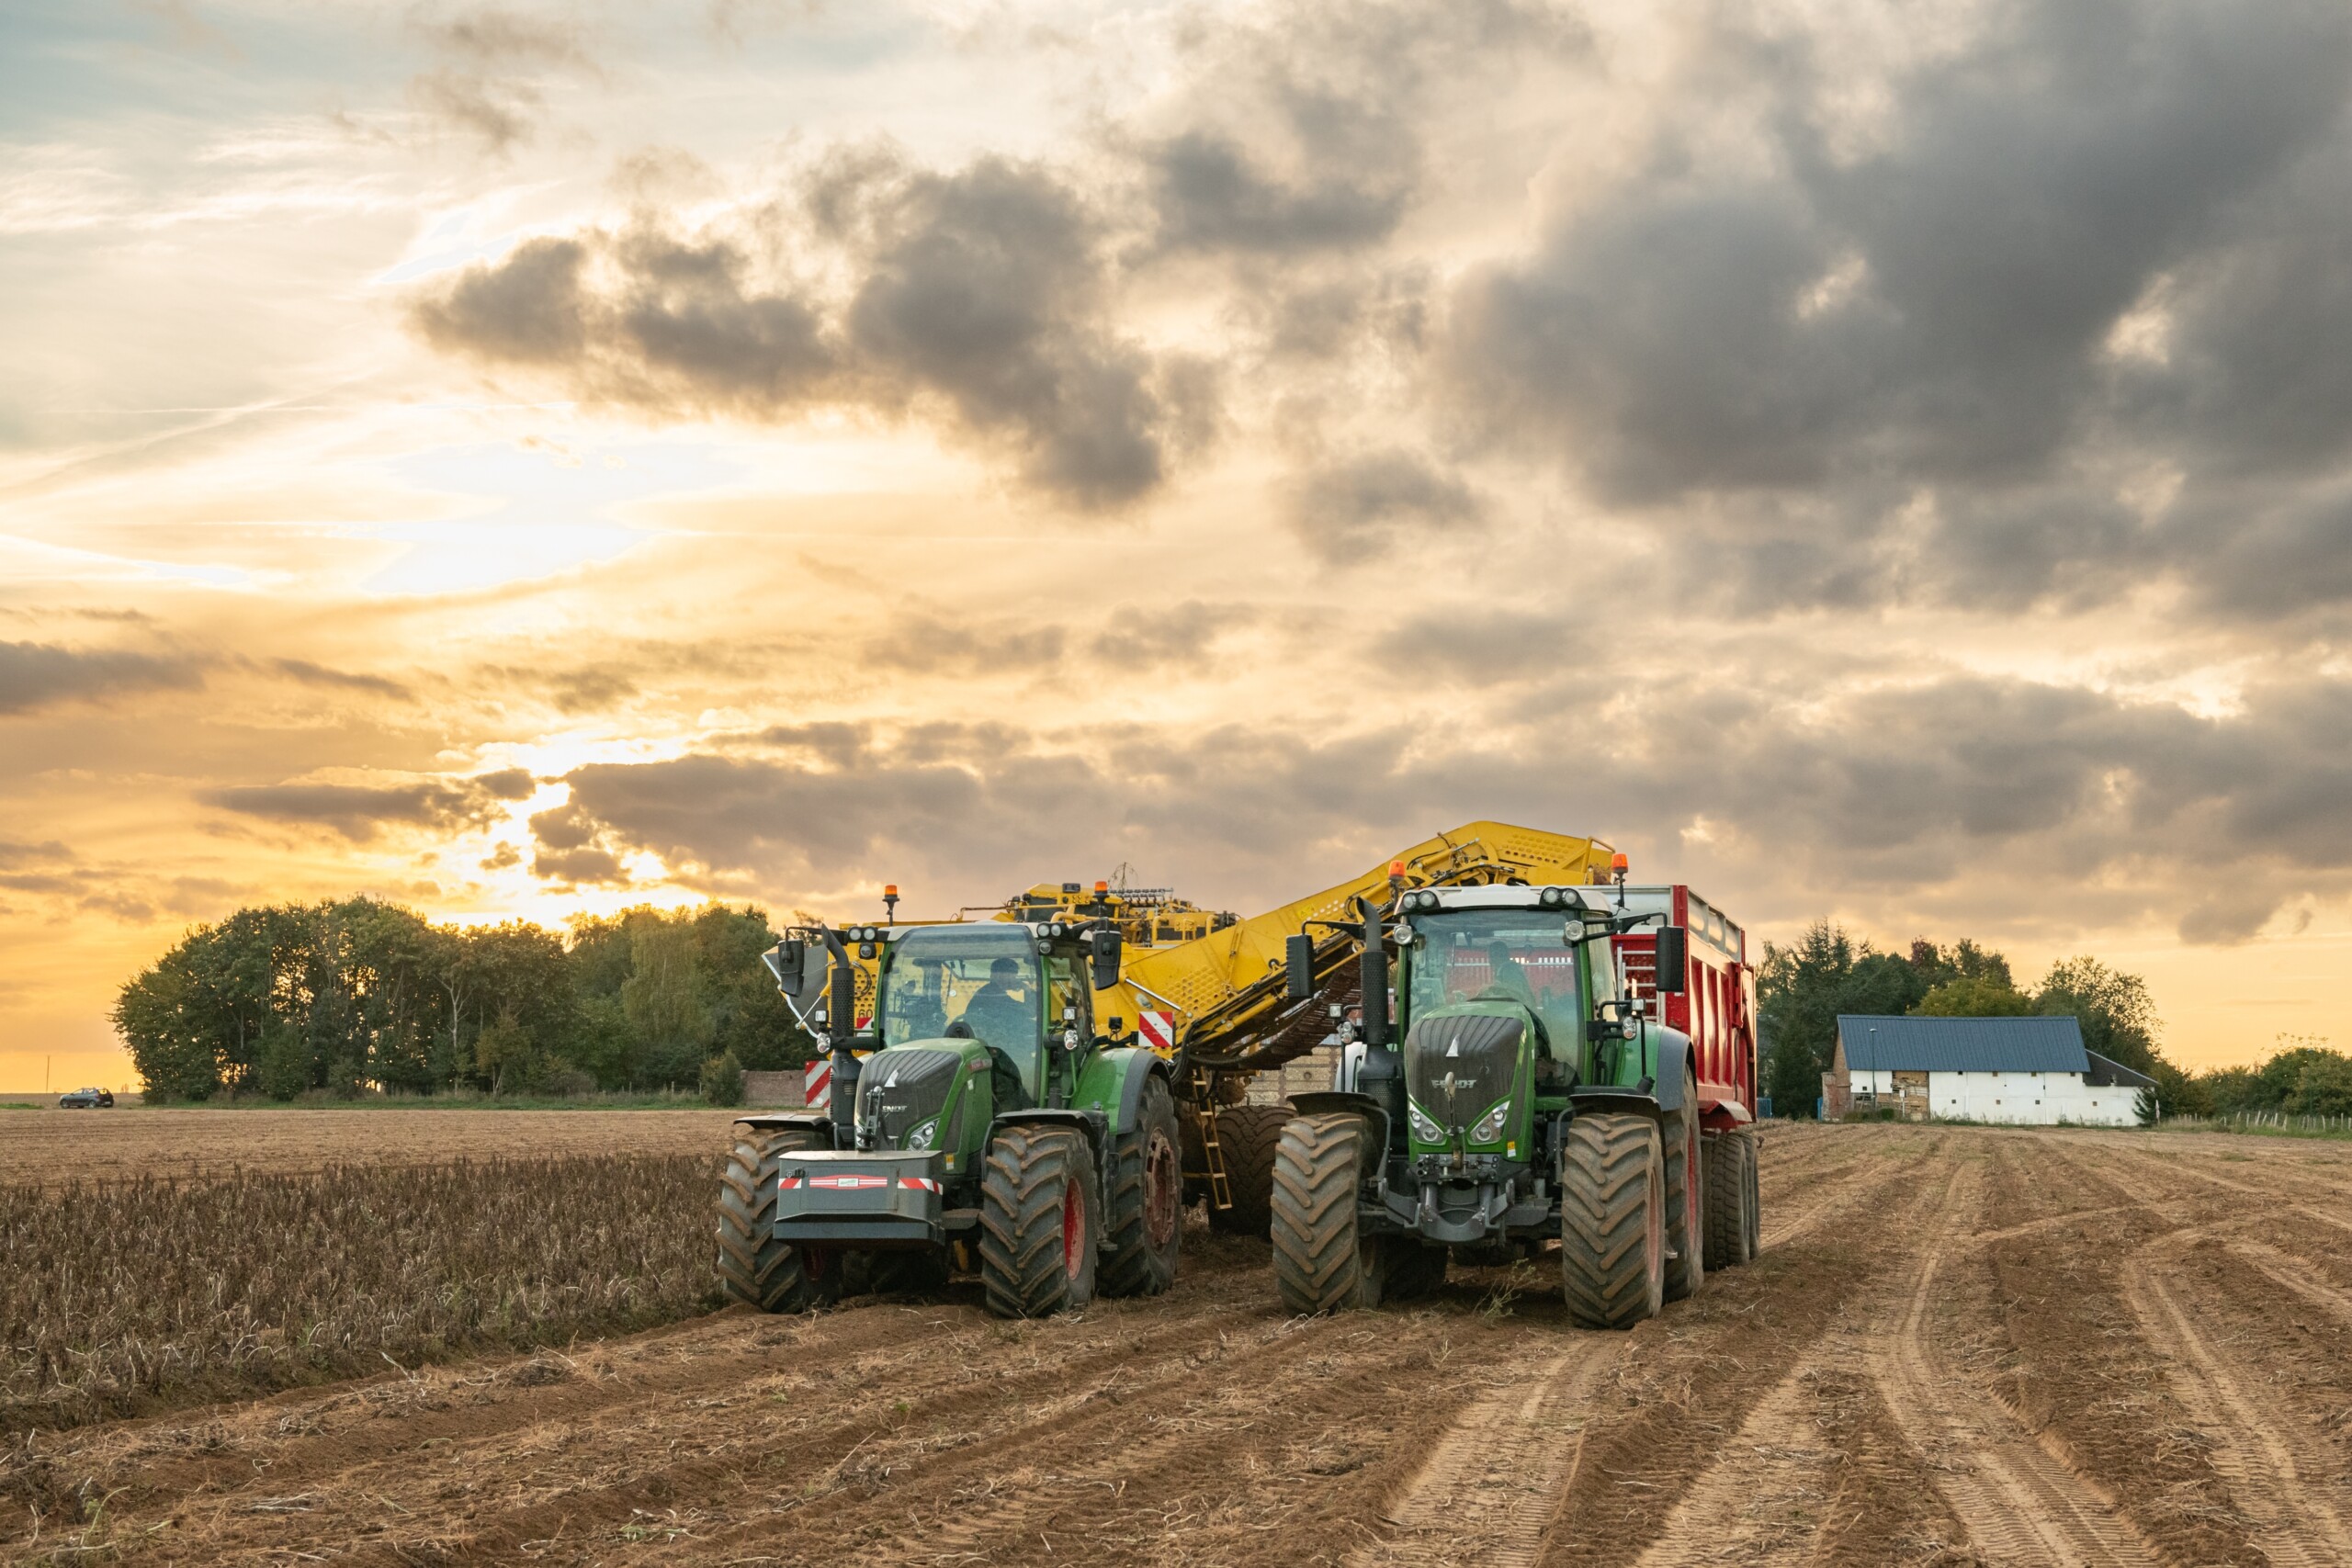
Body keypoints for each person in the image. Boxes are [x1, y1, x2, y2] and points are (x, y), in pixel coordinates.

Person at [957, 956, 1031, 1048]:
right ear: (999, 975)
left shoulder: (989, 991)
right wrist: (1026, 989)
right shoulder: (992, 994)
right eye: (1013, 976)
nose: (1015, 980)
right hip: (990, 1044)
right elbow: (1029, 1012)